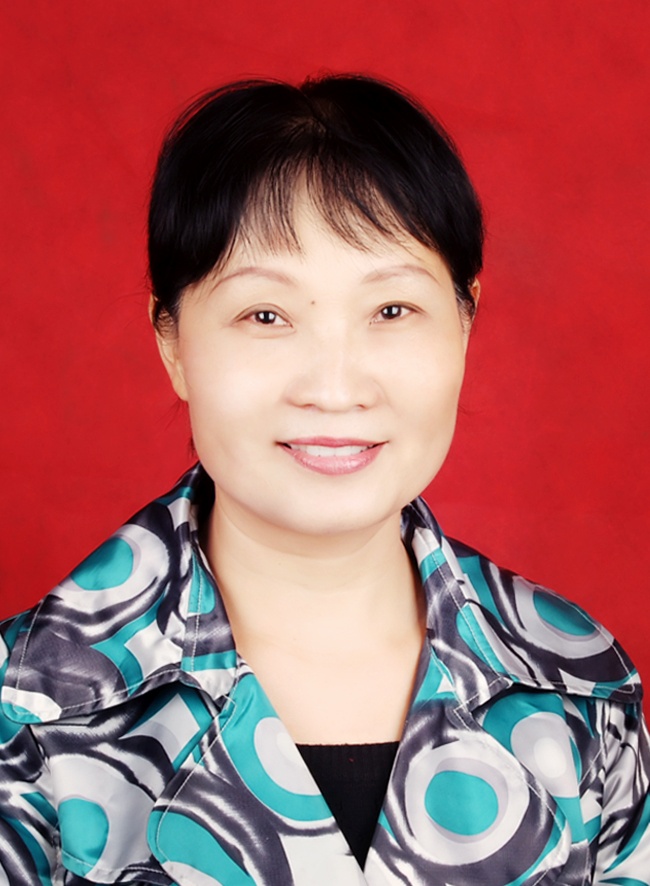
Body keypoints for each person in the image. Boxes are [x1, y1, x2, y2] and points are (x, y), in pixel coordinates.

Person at [1, 74, 648, 886]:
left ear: (466, 322)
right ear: (171, 341)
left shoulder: (577, 683)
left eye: (391, 311)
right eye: (266, 316)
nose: (335, 388)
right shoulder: (29, 707)